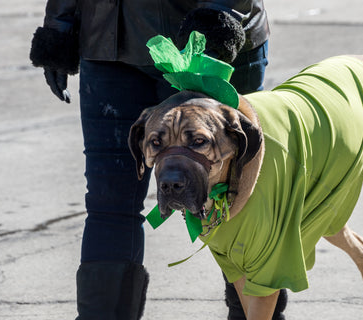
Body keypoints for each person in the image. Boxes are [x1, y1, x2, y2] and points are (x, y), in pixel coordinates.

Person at [29, 1, 287, 319]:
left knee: (236, 205)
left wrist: (220, 13)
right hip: (109, 42)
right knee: (109, 204)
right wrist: (60, 23)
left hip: (206, 41)